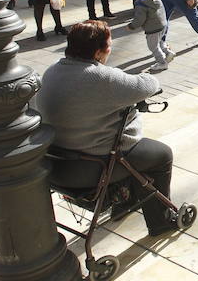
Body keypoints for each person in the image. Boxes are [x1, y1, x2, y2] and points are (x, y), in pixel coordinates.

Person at [35, 20, 178, 236]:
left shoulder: (52, 71)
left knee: (131, 155)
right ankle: (161, 221)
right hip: (93, 168)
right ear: (100, 50)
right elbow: (149, 85)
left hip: (56, 164)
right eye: (109, 44)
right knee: (161, 155)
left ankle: (123, 202)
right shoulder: (102, 78)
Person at [128, 0, 173, 73]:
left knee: (153, 46)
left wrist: (132, 26)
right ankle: (168, 52)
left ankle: (162, 63)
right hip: (163, 24)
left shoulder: (141, 3)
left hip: (152, 28)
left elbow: (139, 19)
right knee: (160, 41)